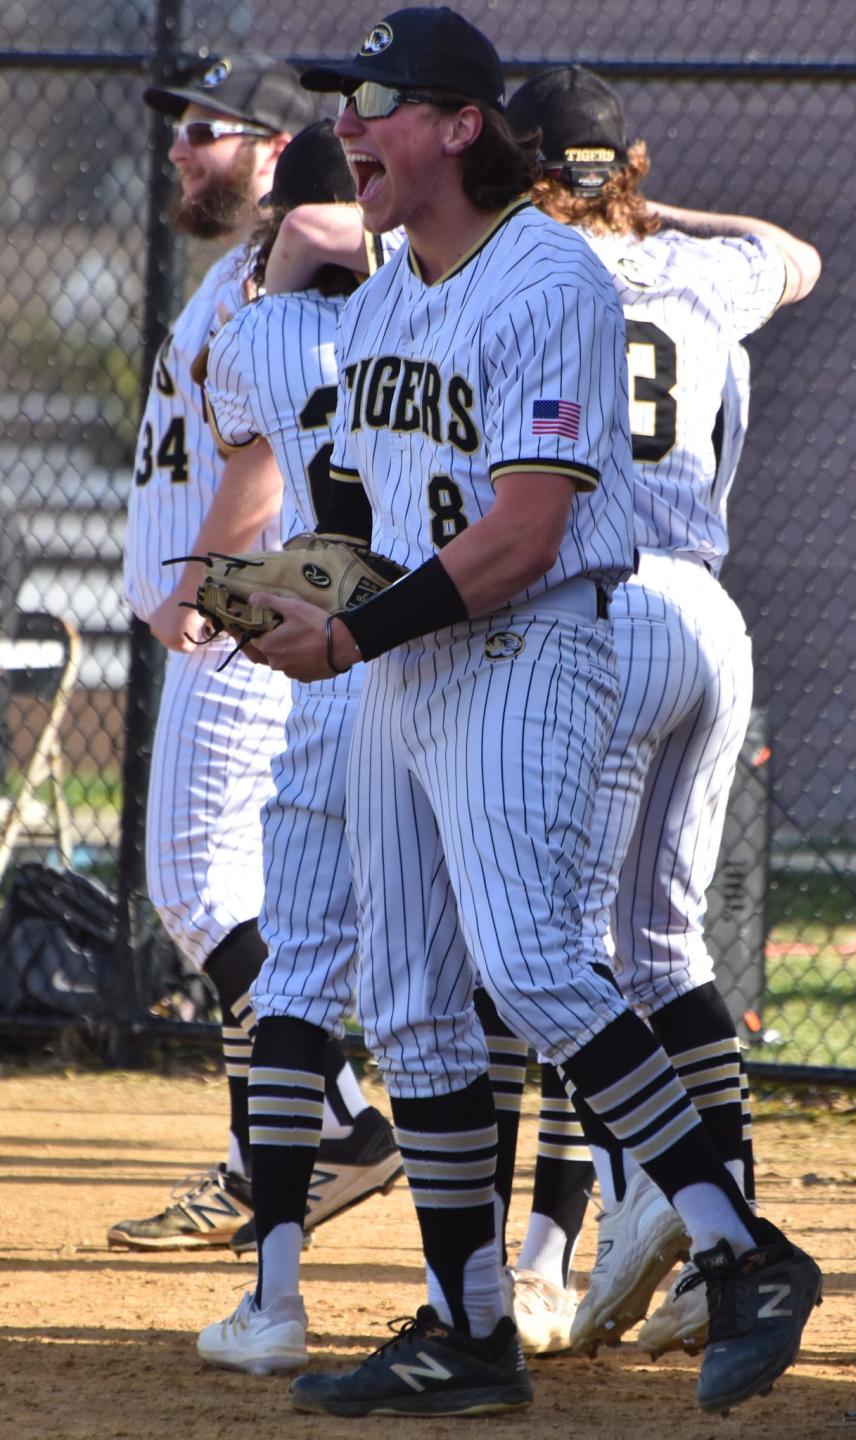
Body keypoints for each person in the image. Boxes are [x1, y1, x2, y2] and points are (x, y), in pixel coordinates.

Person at [237, 7, 821, 1420]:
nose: (346, 132)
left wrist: (350, 626)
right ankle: (466, 1325)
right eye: (343, 107)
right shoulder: (383, 297)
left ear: (457, 125)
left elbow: (524, 533)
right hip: (402, 671)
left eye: (373, 104)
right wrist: (273, 593)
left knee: (539, 960)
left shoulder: (548, 278)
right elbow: (364, 514)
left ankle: (749, 1256)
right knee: (418, 1010)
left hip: (530, 647)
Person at [495, 65, 822, 1359]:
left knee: (562, 952)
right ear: (619, 162)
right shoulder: (700, 274)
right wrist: (638, 200)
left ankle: (657, 1208)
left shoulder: (516, 277)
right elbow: (792, 257)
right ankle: (697, 1241)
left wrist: (568, 197)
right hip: (710, 620)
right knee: (665, 945)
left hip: (602, 614)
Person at [113, 53, 400, 1254]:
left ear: (279, 151)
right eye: (178, 129)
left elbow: (265, 456)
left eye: (210, 130)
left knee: (193, 881)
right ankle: (259, 1152)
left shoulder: (309, 259)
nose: (182, 147)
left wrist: (196, 584)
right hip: (235, 606)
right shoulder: (245, 269)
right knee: (227, 889)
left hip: (244, 607)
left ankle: (331, 1122)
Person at [194, 118, 418, 1371]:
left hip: (329, 686)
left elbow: (240, 425)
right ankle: (497, 1281)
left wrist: (285, 261)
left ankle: (276, 1301)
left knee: (299, 984)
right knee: (481, 991)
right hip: (439, 660)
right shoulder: (435, 311)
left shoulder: (268, 333)